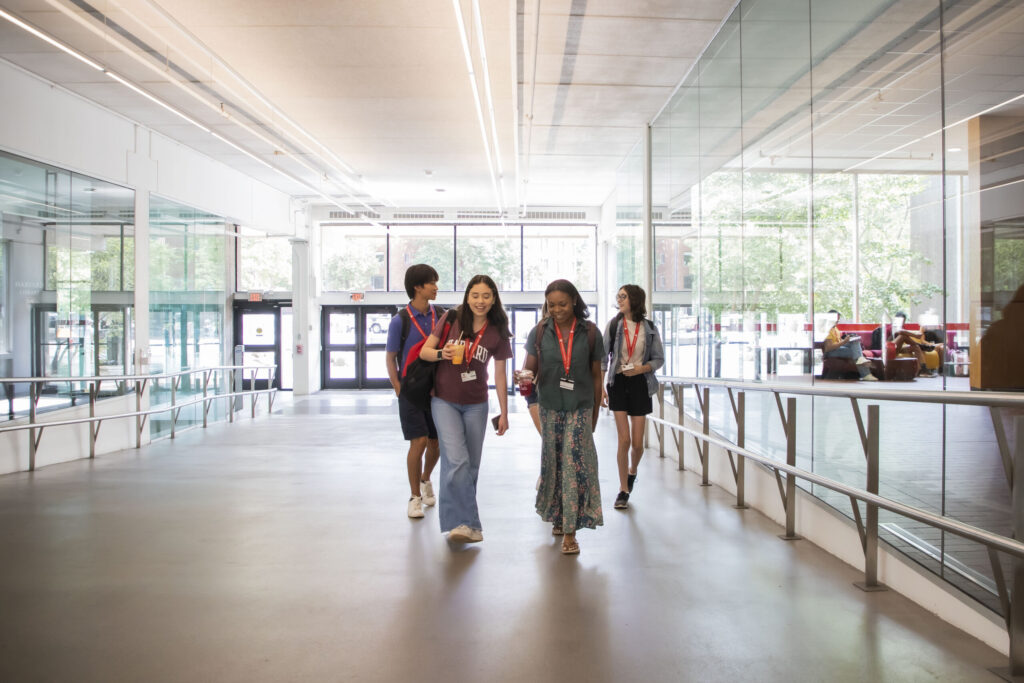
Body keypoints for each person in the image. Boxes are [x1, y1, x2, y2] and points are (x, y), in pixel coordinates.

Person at [419, 274, 512, 544]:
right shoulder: (451, 318)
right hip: (444, 400)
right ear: (467, 296)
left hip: (477, 405)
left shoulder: (498, 328)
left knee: (468, 466)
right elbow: (425, 351)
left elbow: (501, 373)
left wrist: (504, 412)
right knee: (457, 460)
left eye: (486, 296)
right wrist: (441, 354)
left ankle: (455, 524)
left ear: (494, 298)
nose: (480, 301)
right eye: (475, 295)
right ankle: (469, 524)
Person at [519, 280, 604, 555]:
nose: (557, 309)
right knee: (553, 462)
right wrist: (524, 377)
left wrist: (594, 415)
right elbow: (529, 368)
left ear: (575, 302)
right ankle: (558, 515)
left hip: (580, 406)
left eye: (563, 304)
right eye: (552, 304)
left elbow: (595, 375)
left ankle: (570, 532)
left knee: (572, 463)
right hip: (550, 406)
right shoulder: (540, 331)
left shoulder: (590, 333)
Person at [385, 264, 442, 519]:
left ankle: (425, 478)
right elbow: (390, 358)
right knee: (417, 441)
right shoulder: (401, 321)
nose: (435, 287)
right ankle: (414, 497)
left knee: (436, 443)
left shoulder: (440, 316)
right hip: (410, 391)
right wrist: (399, 389)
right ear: (418, 287)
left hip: (436, 390)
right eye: (431, 282)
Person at [602, 284, 665, 510]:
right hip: (618, 382)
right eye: (618, 296)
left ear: (634, 299)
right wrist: (601, 387)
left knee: (637, 444)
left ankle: (632, 471)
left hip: (640, 383)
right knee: (624, 440)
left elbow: (659, 359)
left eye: (623, 297)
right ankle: (623, 489)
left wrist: (642, 368)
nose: (619, 300)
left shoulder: (648, 328)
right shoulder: (614, 325)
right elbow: (603, 357)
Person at [822, 309, 877, 381]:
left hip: (837, 348)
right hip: (831, 352)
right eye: (836, 320)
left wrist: (848, 340)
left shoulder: (835, 329)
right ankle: (866, 374)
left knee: (855, 341)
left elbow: (838, 342)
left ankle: (862, 362)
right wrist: (844, 342)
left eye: (838, 320)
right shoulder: (827, 329)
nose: (837, 322)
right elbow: (828, 348)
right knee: (857, 354)